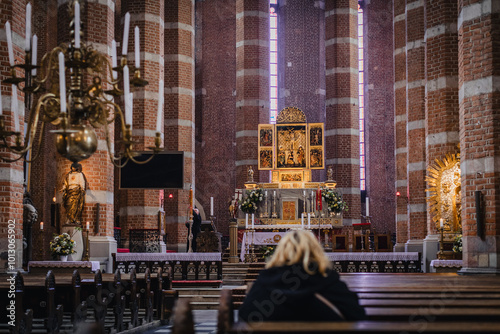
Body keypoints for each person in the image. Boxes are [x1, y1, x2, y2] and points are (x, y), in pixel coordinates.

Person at [238, 230, 366, 322]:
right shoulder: (328, 279)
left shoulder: (265, 281)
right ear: (316, 250)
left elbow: (245, 316)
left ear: (281, 251)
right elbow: (357, 314)